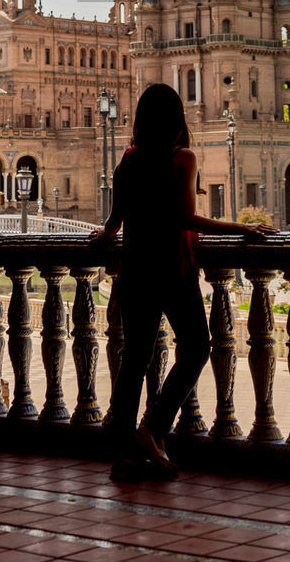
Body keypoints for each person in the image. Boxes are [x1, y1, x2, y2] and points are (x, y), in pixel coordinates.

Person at [88, 83, 274, 481]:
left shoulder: (128, 161)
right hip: (173, 269)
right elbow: (186, 219)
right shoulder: (181, 157)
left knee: (134, 359)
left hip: (135, 270)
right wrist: (242, 227)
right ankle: (153, 428)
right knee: (196, 348)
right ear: (176, 120)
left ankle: (125, 452)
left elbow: (113, 222)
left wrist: (103, 236)